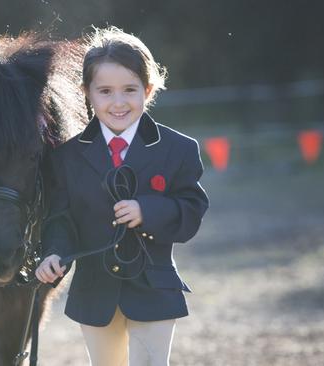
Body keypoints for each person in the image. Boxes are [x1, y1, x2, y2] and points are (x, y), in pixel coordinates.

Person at [35, 26, 209, 366]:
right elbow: (60, 218)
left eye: (130, 90)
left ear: (148, 88)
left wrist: (148, 211)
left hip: (154, 289)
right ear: (87, 92)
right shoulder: (65, 158)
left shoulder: (179, 150)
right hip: (93, 292)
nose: (118, 102)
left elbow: (191, 211)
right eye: (105, 91)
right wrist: (54, 253)